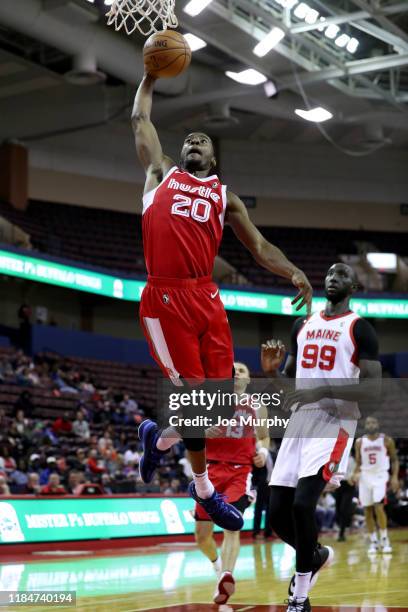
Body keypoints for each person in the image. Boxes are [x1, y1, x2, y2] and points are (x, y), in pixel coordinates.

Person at [133, 70, 312, 532]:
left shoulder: (224, 197)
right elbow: (139, 119)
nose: (194, 142)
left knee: (218, 406)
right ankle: (205, 490)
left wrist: (292, 270)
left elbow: (259, 246)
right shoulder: (160, 173)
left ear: (214, 156)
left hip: (206, 298)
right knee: (195, 397)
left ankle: (160, 440)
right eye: (188, 139)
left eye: (202, 140)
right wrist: (151, 78)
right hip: (166, 294)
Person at [261, 262, 381, 612]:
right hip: (301, 421)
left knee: (302, 505)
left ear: (354, 287)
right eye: (329, 273)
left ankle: (300, 597)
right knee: (277, 514)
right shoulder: (303, 324)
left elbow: (374, 390)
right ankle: (314, 555)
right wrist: (271, 374)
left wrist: (323, 392)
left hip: (335, 422)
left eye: (342, 274)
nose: (333, 277)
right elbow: (290, 388)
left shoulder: (361, 329)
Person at [194, 362, 270, 605]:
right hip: (211, 469)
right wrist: (205, 430)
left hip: (240, 471)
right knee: (202, 536)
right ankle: (219, 568)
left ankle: (226, 577)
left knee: (232, 526)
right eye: (233, 369)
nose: (237, 372)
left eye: (242, 370)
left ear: (248, 379)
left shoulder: (257, 405)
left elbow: (264, 436)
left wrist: (264, 453)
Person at [351, 416, 399, 553]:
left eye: (373, 422)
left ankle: (384, 538)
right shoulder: (360, 442)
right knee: (367, 509)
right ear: (365, 425)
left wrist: (394, 477)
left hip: (380, 475)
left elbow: (395, 460)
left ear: (378, 424)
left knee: (378, 506)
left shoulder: (386, 440)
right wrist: (354, 474)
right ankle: (373, 541)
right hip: (365, 477)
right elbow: (359, 463)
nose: (370, 425)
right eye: (368, 423)